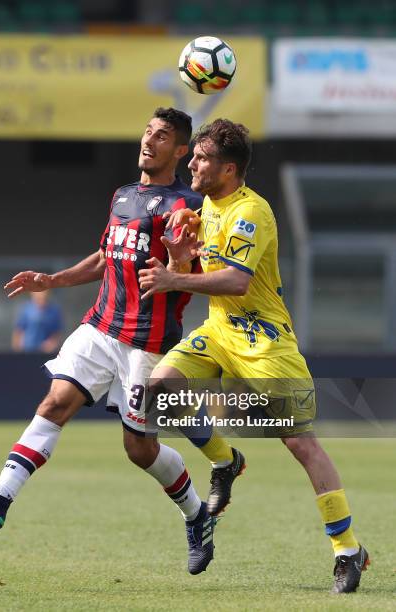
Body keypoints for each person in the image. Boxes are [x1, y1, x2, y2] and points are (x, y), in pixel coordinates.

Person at [0, 108, 244, 575]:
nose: (149, 140)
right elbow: (107, 255)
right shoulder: (123, 196)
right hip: (101, 325)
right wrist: (52, 279)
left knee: (139, 450)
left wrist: (183, 265)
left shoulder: (187, 208)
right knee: (54, 403)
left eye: (162, 136)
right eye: (147, 131)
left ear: (180, 150)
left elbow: (191, 278)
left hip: (147, 341)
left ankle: (197, 514)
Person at [138, 119, 369, 593]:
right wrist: (181, 257)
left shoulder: (252, 212)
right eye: (194, 156)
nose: (193, 164)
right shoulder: (206, 205)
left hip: (265, 341)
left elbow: (237, 281)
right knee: (157, 389)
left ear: (228, 168)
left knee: (301, 444)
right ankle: (225, 461)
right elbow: (201, 269)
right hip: (221, 331)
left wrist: (174, 279)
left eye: (201, 158)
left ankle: (348, 550)